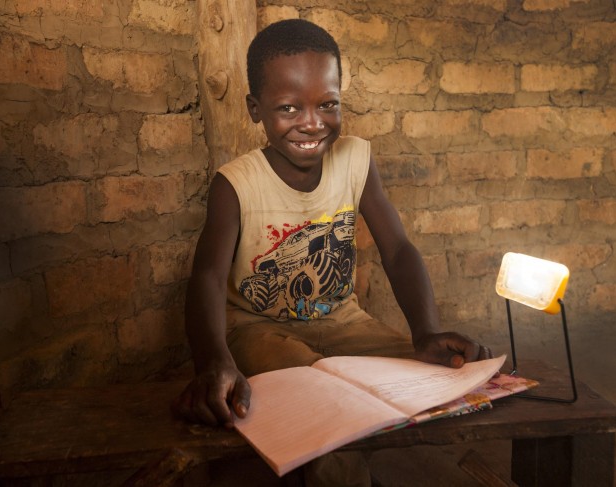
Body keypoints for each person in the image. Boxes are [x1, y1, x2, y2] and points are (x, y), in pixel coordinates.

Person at [173, 18, 492, 485]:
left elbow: (398, 249)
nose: (311, 123)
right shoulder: (235, 184)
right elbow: (204, 277)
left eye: (328, 104)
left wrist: (424, 331)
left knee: (443, 377)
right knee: (326, 407)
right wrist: (214, 360)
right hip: (259, 331)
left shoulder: (357, 158)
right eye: (288, 107)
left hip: (344, 324)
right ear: (254, 109)